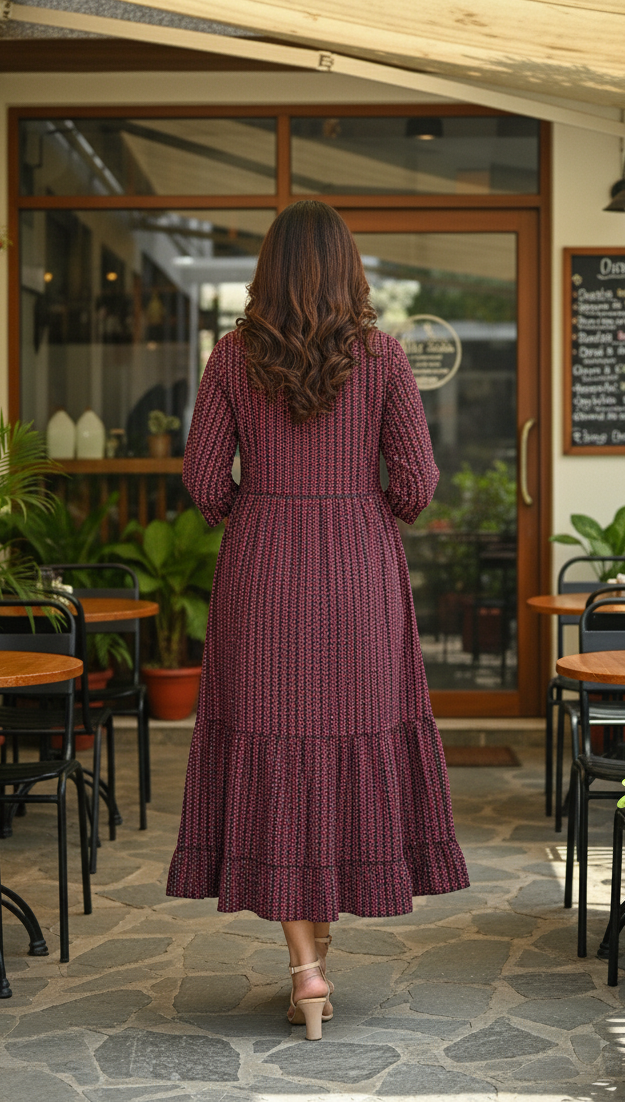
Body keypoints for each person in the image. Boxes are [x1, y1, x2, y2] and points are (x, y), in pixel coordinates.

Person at [166, 200, 468, 1040]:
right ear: (348, 269)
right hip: (358, 574)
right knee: (342, 739)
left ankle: (306, 968)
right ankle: (316, 952)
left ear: (266, 270)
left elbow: (200, 478)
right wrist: (356, 502)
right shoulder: (383, 359)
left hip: (262, 568)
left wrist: (255, 510)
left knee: (276, 741)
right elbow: (415, 485)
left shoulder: (232, 357)